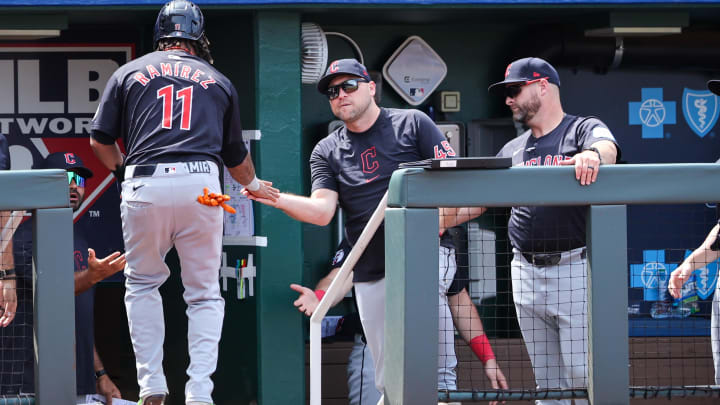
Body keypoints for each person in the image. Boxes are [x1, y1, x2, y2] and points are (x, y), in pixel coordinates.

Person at [89, 2, 278, 404]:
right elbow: (237, 158)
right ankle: (199, 392)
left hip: (145, 181)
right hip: (201, 184)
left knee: (142, 284)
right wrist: (256, 185)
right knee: (204, 293)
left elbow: (99, 140)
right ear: (197, 38)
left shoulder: (128, 72)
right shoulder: (218, 79)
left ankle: (152, 384)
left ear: (161, 34)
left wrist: (124, 174)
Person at [245, 57, 463, 402]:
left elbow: (462, 186)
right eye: (333, 91)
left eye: (349, 86)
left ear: (371, 87)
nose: (341, 95)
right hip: (370, 271)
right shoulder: (327, 149)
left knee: (433, 372)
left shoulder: (413, 123)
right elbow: (321, 212)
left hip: (423, 256)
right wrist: (273, 198)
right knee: (388, 377)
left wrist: (434, 221)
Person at [466, 57, 619, 405]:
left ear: (543, 86)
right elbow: (476, 202)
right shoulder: (513, 149)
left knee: (583, 373)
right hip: (525, 271)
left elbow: (607, 147)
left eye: (514, 90)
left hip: (573, 267)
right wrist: (435, 221)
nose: (508, 100)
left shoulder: (580, 129)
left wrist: (592, 155)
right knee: (546, 381)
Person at [291, 236, 508, 405]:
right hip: (378, 357)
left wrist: (488, 357)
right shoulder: (369, 227)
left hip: (431, 361)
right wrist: (319, 298)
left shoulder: (445, 245)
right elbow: (339, 278)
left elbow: (460, 302)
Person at [0, 151, 127, 404]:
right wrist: (92, 276)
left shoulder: (77, 237)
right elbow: (53, 291)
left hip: (78, 379)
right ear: (43, 185)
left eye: (78, 180)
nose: (73, 185)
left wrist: (100, 373)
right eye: (65, 177)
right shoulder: (23, 237)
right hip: (29, 382)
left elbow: (75, 317)